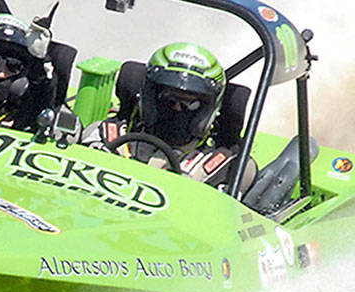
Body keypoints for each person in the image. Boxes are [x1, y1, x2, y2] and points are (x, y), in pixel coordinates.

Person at [82, 42, 256, 192]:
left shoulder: (227, 169)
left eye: (190, 104)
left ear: (211, 108)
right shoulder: (107, 136)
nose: (177, 109)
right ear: (148, 96)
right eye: (168, 98)